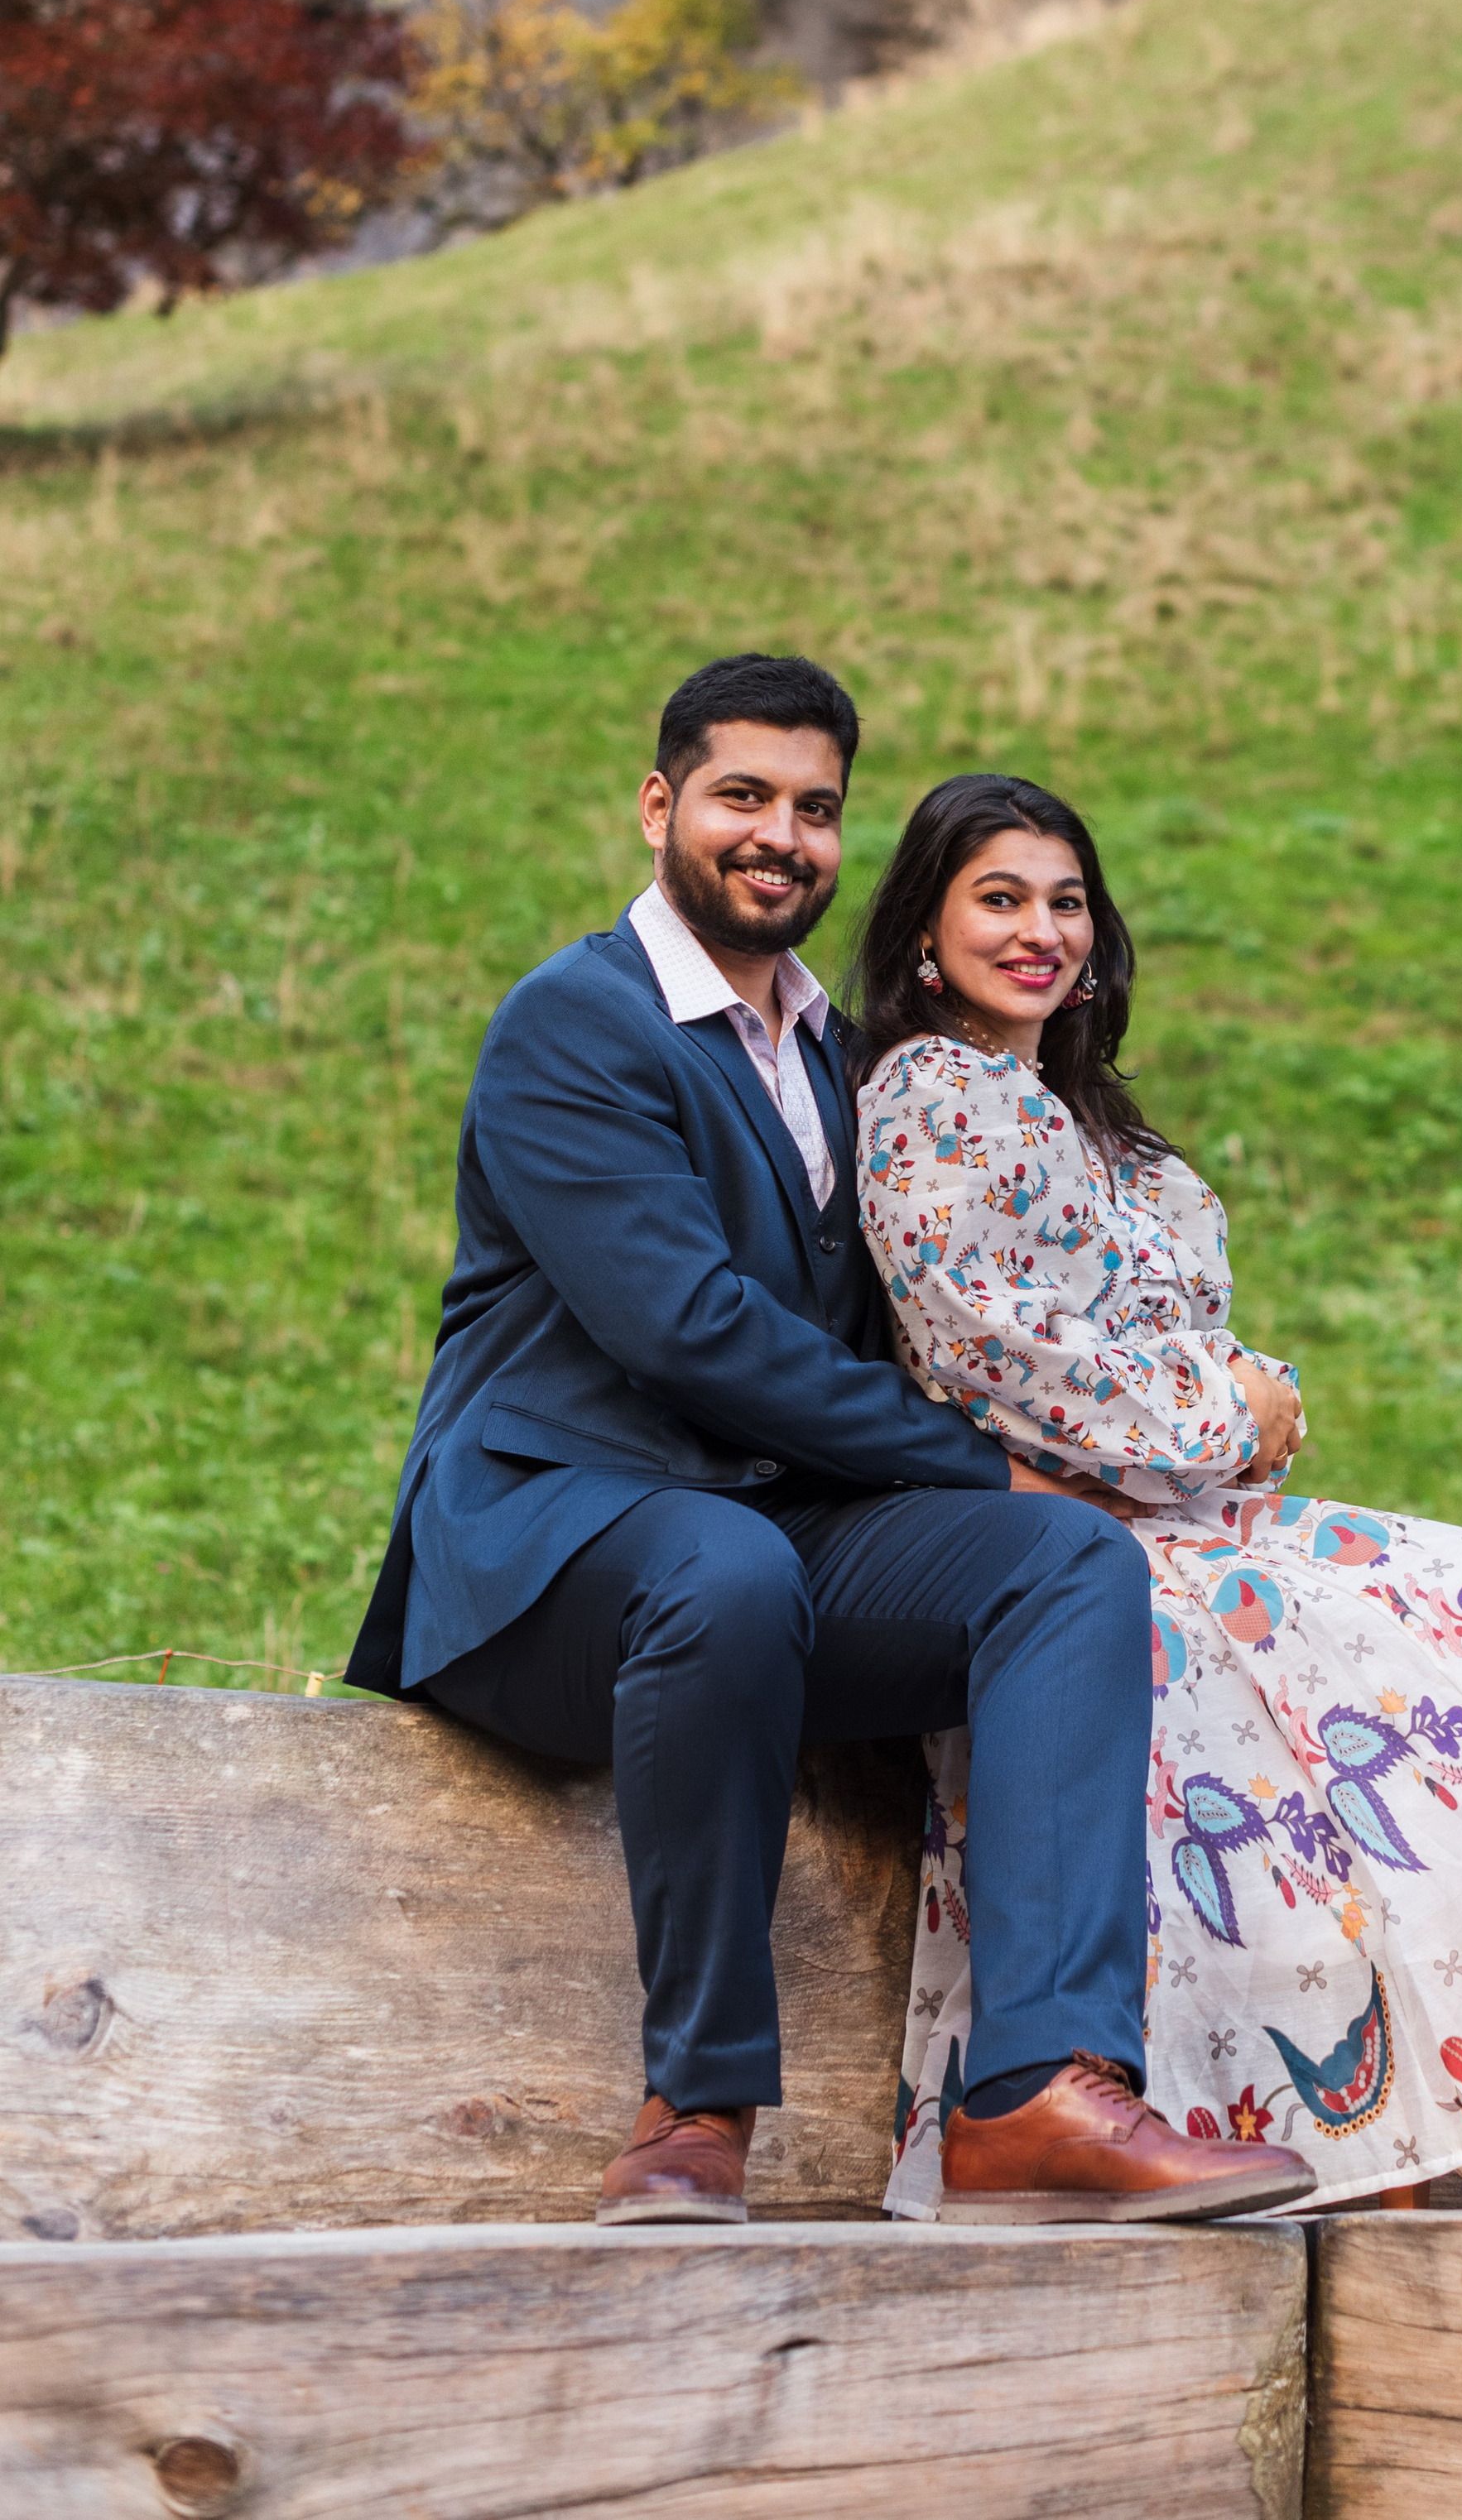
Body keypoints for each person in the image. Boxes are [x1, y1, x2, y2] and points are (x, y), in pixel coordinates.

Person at [346, 657, 1312, 2229]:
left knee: (1064, 1561)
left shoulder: (841, 1058)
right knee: (725, 1570)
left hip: (775, 1538)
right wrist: (974, 1463)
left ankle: (1036, 2090)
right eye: (742, 795)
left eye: (815, 807)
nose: (779, 835)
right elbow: (690, 1330)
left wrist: (1147, 1426)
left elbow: (947, 1309)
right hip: (552, 1548)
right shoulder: (575, 1024)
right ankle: (696, 2106)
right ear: (659, 805)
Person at [850, 773, 1462, 2220]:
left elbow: (1175, 1328)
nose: (1039, 931)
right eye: (998, 900)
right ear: (927, 935)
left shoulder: (1085, 1115)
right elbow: (992, 1345)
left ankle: (1427, 2138)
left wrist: (1253, 1399)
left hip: (1182, 1496)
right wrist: (1228, 1416)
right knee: (1294, 1701)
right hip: (1070, 1522)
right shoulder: (930, 1095)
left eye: (1065, 902)